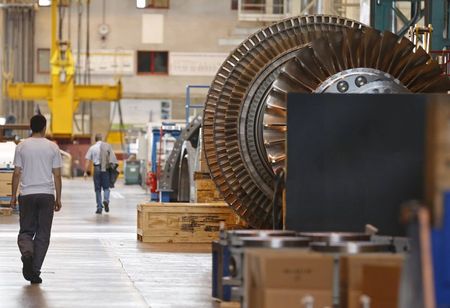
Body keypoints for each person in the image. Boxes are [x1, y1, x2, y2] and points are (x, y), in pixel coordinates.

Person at [10, 114, 63, 284]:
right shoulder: (52, 147)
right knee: (43, 234)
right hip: (46, 194)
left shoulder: (21, 146)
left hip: (27, 195)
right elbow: (57, 175)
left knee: (26, 230)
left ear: (31, 127)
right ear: (44, 127)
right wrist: (58, 198)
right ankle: (35, 270)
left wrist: (12, 196)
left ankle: (27, 253)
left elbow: (17, 172)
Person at [84, 133, 117, 214]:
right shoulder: (107, 146)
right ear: (101, 139)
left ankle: (99, 207)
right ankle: (106, 200)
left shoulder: (92, 148)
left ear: (95, 139)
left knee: (97, 189)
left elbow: (87, 160)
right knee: (106, 188)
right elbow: (113, 159)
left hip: (97, 168)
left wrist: (85, 172)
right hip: (105, 168)